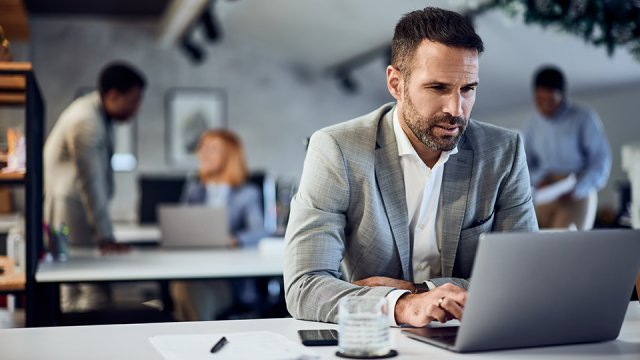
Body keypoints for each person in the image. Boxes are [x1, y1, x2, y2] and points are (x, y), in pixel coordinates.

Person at [283, 7, 538, 328]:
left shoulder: (504, 151)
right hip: (373, 340)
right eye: (437, 88)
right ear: (396, 83)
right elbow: (305, 286)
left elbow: (524, 279)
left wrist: (419, 292)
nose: (455, 109)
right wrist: (403, 306)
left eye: (467, 89)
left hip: (470, 336)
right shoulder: (337, 149)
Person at [43, 62, 146, 311]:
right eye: (134, 102)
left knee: (74, 286)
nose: (136, 110)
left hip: (74, 209)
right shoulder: (85, 120)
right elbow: (91, 182)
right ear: (113, 95)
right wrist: (106, 236)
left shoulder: (95, 114)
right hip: (71, 210)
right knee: (92, 290)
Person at [170, 129, 267, 321]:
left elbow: (260, 232)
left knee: (187, 292)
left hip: (228, 280)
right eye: (202, 147)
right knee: (183, 286)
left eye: (212, 148)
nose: (203, 153)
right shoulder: (194, 190)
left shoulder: (247, 193)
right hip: (194, 271)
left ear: (230, 155)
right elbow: (181, 229)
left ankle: (196, 340)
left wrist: (233, 239)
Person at [523, 66, 611, 230]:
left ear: (562, 95)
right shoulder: (531, 125)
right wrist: (539, 180)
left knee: (566, 247)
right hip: (545, 193)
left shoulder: (583, 118)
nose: (544, 107)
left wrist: (579, 189)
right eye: (539, 100)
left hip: (576, 193)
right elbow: (525, 164)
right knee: (537, 245)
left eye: (550, 101)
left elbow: (600, 160)